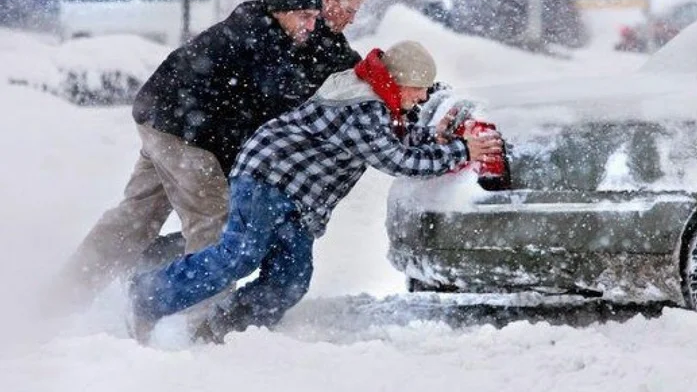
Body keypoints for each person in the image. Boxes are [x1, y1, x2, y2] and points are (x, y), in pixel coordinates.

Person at [128, 41, 505, 344]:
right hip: (266, 175)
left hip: (298, 197)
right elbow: (396, 158)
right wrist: (462, 151)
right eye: (420, 88)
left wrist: (441, 139)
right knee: (239, 255)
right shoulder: (364, 106)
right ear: (402, 81)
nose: (422, 98)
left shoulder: (379, 97)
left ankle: (227, 330)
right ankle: (147, 296)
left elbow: (396, 135)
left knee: (290, 278)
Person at [50, 0, 367, 313]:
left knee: (137, 218)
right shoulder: (264, 35)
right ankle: (196, 321)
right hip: (185, 131)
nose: (350, 19)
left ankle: (64, 298)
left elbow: (345, 73)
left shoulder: (306, 37)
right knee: (215, 224)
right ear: (324, 0)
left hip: (166, 119)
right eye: (347, 9)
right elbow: (280, 97)